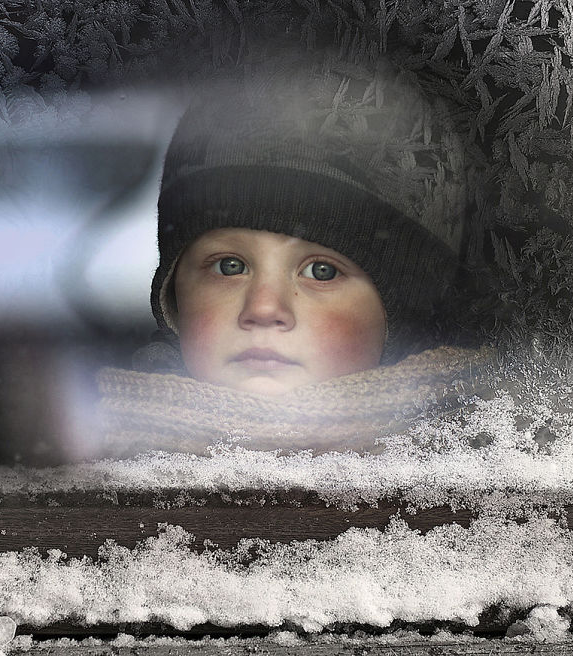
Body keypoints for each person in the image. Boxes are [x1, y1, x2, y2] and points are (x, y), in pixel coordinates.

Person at [95, 53, 493, 458]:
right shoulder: (98, 466)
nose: (264, 309)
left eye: (321, 271)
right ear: (172, 298)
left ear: (404, 314)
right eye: (229, 266)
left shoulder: (484, 469)